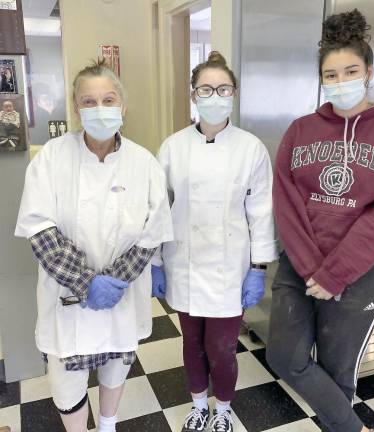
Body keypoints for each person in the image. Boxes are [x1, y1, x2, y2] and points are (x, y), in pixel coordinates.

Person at [266, 9, 374, 432]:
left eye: (350, 71)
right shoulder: (300, 131)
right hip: (299, 268)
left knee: (339, 371)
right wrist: (310, 268)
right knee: (284, 356)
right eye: (330, 74)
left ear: (369, 72)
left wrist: (336, 273)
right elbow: (286, 203)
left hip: (363, 273)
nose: (340, 82)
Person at [15, 59, 173, 432]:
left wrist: (114, 282)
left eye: (108, 99)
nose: (99, 109)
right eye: (89, 101)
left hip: (122, 295)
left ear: (123, 105)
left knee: (116, 365)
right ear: (75, 107)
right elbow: (40, 229)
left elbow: (152, 232)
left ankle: (107, 425)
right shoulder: (52, 158)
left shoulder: (143, 163)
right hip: (67, 299)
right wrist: (87, 283)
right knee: (66, 382)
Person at [151, 51, 277, 432]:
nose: (214, 95)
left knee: (222, 349)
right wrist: (156, 262)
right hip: (183, 264)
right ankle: (198, 404)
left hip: (230, 269)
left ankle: (223, 408)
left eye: (223, 88)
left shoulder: (250, 148)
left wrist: (258, 269)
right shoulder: (173, 147)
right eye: (206, 88)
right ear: (194, 95)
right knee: (191, 342)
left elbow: (261, 212)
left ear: (234, 94)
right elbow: (158, 208)